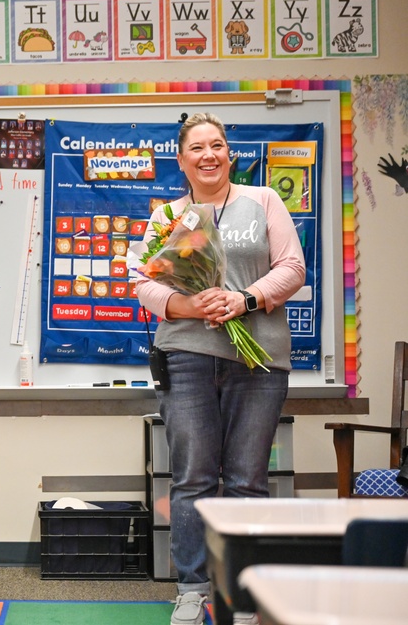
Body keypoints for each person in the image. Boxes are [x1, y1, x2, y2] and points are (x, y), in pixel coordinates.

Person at [136, 113, 305, 625]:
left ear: (229, 153)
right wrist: (194, 307)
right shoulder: (167, 214)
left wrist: (244, 300)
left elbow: (293, 268)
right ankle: (191, 588)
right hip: (186, 356)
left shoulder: (264, 201)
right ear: (182, 159)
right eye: (198, 148)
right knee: (192, 478)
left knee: (249, 479)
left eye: (218, 145)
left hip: (259, 361)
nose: (209, 155)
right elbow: (145, 284)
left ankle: (241, 591)